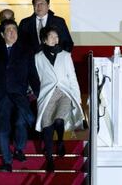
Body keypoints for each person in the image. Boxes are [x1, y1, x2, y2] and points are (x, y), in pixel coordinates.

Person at [0, 19, 40, 172]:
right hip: (0, 95)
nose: (12, 32)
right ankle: (7, 161)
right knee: (1, 129)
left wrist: (37, 91)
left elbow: (32, 73)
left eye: (14, 29)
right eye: (9, 30)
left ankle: (18, 149)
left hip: (19, 95)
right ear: (2, 34)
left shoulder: (26, 50)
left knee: (20, 123)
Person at [34, 26, 85, 171]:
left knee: (58, 119)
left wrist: (77, 97)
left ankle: (61, 141)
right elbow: (37, 78)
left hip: (64, 92)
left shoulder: (65, 55)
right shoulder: (38, 57)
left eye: (57, 37)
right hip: (47, 94)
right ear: (44, 39)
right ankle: (50, 159)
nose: (55, 39)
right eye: (52, 36)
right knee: (47, 125)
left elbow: (72, 77)